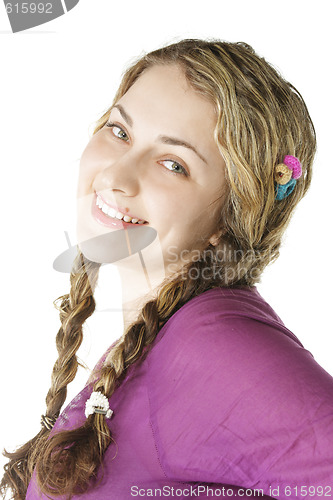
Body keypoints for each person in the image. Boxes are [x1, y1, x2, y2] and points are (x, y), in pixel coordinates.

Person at [1, 38, 333, 500]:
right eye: (120, 131)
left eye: (173, 164)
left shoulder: (215, 349)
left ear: (231, 215)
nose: (116, 176)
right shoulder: (165, 336)